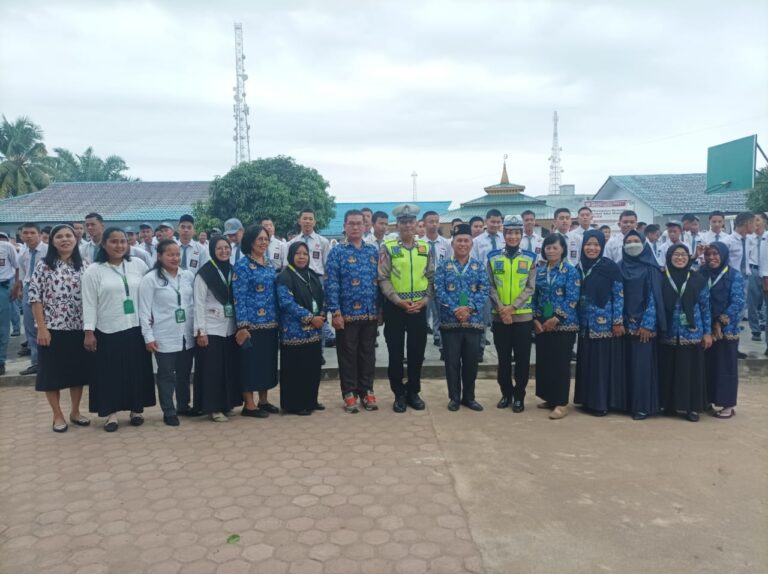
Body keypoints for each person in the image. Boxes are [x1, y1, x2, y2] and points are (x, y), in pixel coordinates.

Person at [82, 227, 155, 431]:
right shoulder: (94, 270)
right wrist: (89, 332)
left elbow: (149, 294)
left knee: (136, 370)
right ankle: (111, 414)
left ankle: (136, 409)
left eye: (123, 241)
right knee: (109, 373)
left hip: (135, 327)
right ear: (104, 244)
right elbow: (88, 303)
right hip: (107, 329)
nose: (119, 245)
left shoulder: (138, 265)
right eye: (114, 242)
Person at [27, 225, 90, 432]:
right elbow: (35, 299)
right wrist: (41, 329)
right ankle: (57, 415)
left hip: (78, 329)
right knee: (51, 375)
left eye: (68, 236)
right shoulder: (44, 266)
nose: (65, 240)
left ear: (76, 239)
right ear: (52, 241)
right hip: (52, 329)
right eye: (60, 237)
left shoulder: (84, 266)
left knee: (77, 373)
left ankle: (75, 411)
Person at [378, 204, 435, 413]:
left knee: (416, 352)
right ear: (397, 225)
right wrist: (397, 300)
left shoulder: (425, 248)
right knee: (395, 352)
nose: (407, 226)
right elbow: (382, 277)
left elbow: (431, 277)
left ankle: (413, 391)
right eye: (403, 222)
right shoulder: (389, 247)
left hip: (419, 308)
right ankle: (398, 394)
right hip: (395, 308)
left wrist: (425, 300)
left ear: (416, 224)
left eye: (411, 222)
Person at [326, 210, 380, 413]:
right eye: (351, 224)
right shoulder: (337, 252)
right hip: (346, 314)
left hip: (370, 313)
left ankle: (367, 390)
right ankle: (349, 392)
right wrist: (335, 312)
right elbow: (332, 284)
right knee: (347, 355)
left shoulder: (373, 251)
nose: (356, 227)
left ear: (366, 226)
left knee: (368, 354)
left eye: (359, 223)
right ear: (345, 226)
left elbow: (379, 282)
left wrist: (380, 309)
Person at [138, 240, 196, 426]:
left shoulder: (187, 276)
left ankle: (183, 405)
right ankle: (168, 410)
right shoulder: (151, 279)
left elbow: (193, 304)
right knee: (166, 375)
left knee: (184, 374)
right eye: (170, 254)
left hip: (186, 334)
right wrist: (148, 336)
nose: (175, 258)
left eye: (177, 254)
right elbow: (144, 311)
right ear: (160, 256)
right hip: (163, 334)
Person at [434, 223, 488, 411]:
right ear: (453, 243)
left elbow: (484, 290)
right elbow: (439, 291)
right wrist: (457, 309)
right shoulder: (443, 266)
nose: (462, 244)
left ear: (472, 244)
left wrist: (469, 309)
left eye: (466, 241)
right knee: (452, 363)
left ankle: (469, 397)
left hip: (473, 323)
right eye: (459, 241)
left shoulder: (479, 266)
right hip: (450, 322)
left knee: (471, 363)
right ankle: (454, 397)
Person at [573, 229, 626, 416]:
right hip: (584, 324)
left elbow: (619, 295)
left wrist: (618, 321)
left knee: (601, 365)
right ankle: (586, 400)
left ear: (602, 246)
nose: (592, 248)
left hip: (604, 324)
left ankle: (601, 403)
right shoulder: (579, 267)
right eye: (588, 244)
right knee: (586, 362)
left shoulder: (610, 267)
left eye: (596, 245)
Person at [487, 215, 536, 413]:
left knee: (523, 359)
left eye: (517, 233)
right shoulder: (493, 257)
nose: (513, 236)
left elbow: (530, 287)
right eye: (509, 233)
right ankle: (506, 393)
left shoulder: (530, 258)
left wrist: (512, 308)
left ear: (521, 235)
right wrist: (502, 309)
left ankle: (519, 396)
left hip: (522, 317)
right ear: (503, 234)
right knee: (503, 359)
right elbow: (490, 286)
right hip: (500, 318)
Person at [658, 245, 712, 422]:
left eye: (683, 255)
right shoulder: (662, 278)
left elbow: (705, 308)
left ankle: (691, 408)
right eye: (676, 254)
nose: (679, 258)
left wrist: (707, 332)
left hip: (692, 333)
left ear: (689, 258)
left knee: (691, 372)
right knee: (668, 370)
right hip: (668, 333)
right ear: (669, 257)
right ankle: (669, 405)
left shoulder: (698, 279)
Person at [192, 236, 242, 422]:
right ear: (212, 250)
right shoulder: (204, 274)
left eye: (227, 248)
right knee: (212, 370)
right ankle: (213, 408)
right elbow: (198, 303)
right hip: (211, 329)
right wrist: (201, 331)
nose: (224, 251)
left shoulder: (233, 270)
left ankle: (227, 404)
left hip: (230, 328)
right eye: (219, 248)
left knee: (228, 368)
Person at [532, 234, 580, 419]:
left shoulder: (570, 271)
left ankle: (561, 402)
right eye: (548, 247)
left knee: (560, 364)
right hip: (543, 325)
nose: (551, 251)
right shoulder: (540, 271)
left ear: (563, 249)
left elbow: (572, 297)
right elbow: (535, 296)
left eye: (555, 247)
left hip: (564, 325)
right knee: (545, 363)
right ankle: (549, 398)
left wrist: (557, 318)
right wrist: (536, 319)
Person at [233, 225, 279, 418]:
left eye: (266, 239)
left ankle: (263, 400)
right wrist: (242, 325)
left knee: (266, 363)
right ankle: (249, 405)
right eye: (259, 239)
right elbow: (238, 296)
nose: (263, 243)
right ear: (250, 242)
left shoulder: (270, 264)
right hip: (251, 325)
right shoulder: (242, 266)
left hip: (270, 323)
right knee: (249, 364)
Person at [620, 230, 666, 420]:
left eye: (636, 241)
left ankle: (642, 406)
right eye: (628, 241)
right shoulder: (619, 267)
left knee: (642, 367)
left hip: (643, 328)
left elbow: (654, 298)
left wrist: (647, 324)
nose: (632, 244)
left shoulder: (651, 268)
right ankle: (625, 404)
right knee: (625, 367)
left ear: (644, 243)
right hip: (622, 326)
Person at [276, 242, 325, 415]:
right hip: (294, 332)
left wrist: (322, 314)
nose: (302, 257)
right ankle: (295, 404)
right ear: (291, 255)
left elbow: (322, 296)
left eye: (305, 253)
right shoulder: (285, 276)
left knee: (312, 367)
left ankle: (311, 400)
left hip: (314, 331)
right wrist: (311, 318)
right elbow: (286, 303)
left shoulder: (312, 275)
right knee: (296, 370)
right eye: (298, 253)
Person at [702, 242, 745, 419]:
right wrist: (708, 325)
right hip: (706, 328)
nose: (711, 257)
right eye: (708, 254)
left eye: (715, 254)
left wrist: (720, 321)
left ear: (724, 255)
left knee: (725, 367)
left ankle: (727, 404)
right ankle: (707, 400)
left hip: (726, 330)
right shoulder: (701, 273)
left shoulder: (734, 275)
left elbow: (738, 303)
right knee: (707, 366)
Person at [13, 222, 48, 376]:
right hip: (29, 289)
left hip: (46, 290)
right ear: (21, 235)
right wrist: (20, 288)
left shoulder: (48, 250)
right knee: (29, 327)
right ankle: (36, 362)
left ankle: (50, 362)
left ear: (39, 235)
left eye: (32, 233)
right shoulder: (23, 253)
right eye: (25, 233)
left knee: (46, 326)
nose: (28, 236)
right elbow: (23, 272)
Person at [422, 211, 453, 356]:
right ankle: (420, 346)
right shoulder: (420, 244)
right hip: (424, 285)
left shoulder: (446, 243)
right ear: (424, 223)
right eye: (430, 221)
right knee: (424, 315)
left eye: (436, 221)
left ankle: (441, 343)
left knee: (441, 314)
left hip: (441, 284)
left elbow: (449, 263)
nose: (434, 224)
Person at [0, 231, 19, 376]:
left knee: (2, 328)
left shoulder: (6, 246)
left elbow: (17, 267)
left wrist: (16, 287)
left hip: (3, 287)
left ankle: (1, 362)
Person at [746, 213, 767, 341]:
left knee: (766, 301)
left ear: (764, 221)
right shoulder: (749, 238)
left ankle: (764, 322)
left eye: (758, 220)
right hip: (753, 269)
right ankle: (755, 329)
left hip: (767, 272)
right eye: (753, 220)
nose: (756, 222)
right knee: (752, 301)